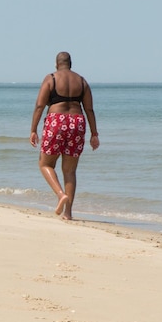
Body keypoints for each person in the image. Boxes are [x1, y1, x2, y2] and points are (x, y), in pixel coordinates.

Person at [30, 52, 99, 220]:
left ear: (56, 64)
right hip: (77, 122)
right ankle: (68, 213)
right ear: (70, 64)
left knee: (45, 164)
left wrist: (33, 129)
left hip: (56, 121)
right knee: (70, 170)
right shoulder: (82, 81)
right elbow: (89, 109)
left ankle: (60, 195)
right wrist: (94, 133)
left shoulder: (51, 78)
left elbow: (39, 105)